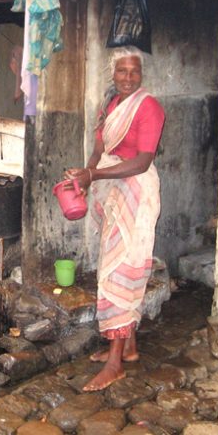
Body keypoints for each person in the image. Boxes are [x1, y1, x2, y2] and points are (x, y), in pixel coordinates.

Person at [64, 46, 165, 392]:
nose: (128, 78)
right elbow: (99, 151)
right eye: (122, 71)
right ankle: (130, 347)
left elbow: (142, 161)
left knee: (120, 270)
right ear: (113, 74)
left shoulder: (148, 107)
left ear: (141, 75)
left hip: (135, 192)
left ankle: (114, 363)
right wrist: (85, 174)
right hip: (111, 189)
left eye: (134, 72)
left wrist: (96, 177)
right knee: (115, 264)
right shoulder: (109, 106)